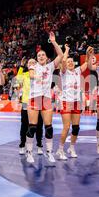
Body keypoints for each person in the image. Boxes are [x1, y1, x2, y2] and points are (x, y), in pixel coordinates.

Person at [25, 32, 64, 164]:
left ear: (47, 58)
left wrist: (53, 41)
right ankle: (29, 152)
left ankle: (49, 152)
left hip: (46, 99)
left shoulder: (50, 66)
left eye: (43, 55)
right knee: (32, 127)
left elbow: (61, 55)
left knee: (49, 127)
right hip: (34, 98)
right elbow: (31, 75)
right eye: (38, 55)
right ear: (36, 59)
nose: (41, 56)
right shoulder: (33, 67)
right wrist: (38, 76)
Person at [56, 44, 89, 160]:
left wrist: (89, 54)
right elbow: (63, 60)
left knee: (76, 128)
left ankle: (71, 147)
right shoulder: (64, 72)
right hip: (66, 102)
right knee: (66, 127)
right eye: (68, 61)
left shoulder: (77, 71)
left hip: (76, 102)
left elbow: (87, 63)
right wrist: (67, 50)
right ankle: (60, 150)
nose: (70, 63)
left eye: (72, 61)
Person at [16, 58, 44, 155]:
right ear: (27, 65)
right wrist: (21, 66)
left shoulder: (40, 74)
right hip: (25, 102)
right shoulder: (24, 75)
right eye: (30, 62)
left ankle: (39, 145)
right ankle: (22, 145)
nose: (31, 63)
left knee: (39, 125)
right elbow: (17, 82)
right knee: (24, 125)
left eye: (33, 62)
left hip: (38, 102)